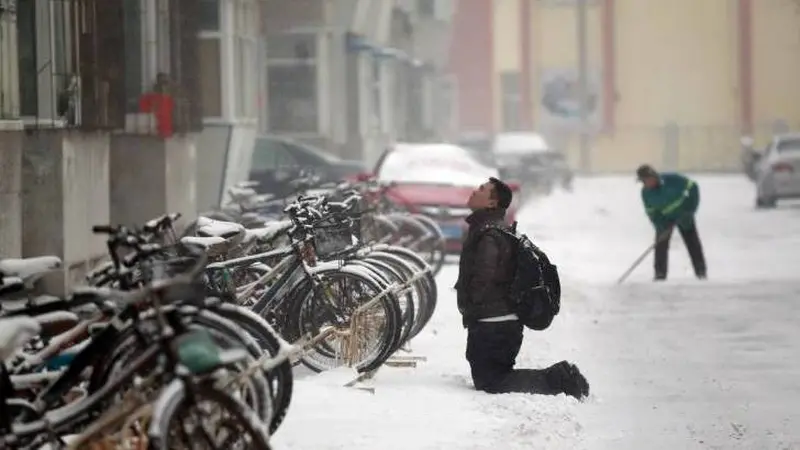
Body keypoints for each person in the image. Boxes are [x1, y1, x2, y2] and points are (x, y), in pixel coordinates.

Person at [454, 177, 590, 399]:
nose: (474, 191)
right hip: (498, 323)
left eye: (482, 189)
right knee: (490, 379)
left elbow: (483, 277)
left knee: (492, 381)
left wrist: (473, 305)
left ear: (491, 203)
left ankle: (560, 379)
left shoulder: (489, 235)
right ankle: (560, 378)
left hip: (493, 325)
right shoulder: (496, 230)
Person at [636, 164, 707, 281]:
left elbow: (693, 187)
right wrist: (660, 226)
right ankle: (660, 274)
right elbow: (652, 213)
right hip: (665, 220)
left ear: (653, 176)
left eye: (647, 180)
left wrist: (690, 210)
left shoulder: (673, 180)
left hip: (684, 215)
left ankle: (701, 272)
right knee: (660, 245)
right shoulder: (646, 193)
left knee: (693, 243)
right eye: (643, 181)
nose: (646, 184)